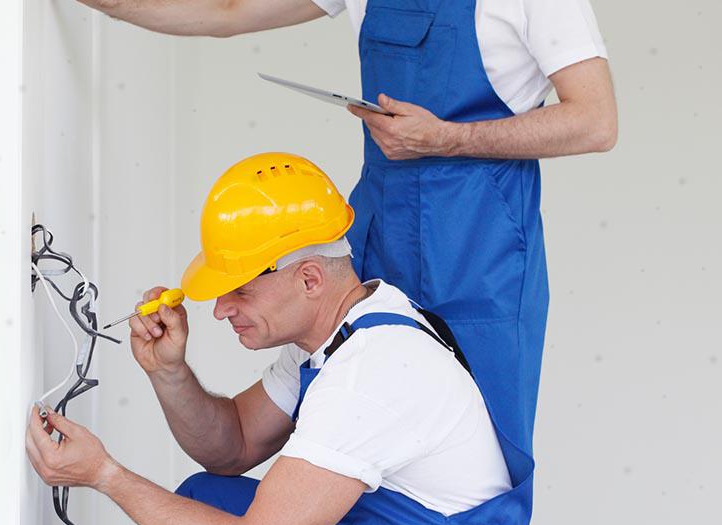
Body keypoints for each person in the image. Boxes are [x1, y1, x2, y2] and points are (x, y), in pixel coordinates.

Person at [76, 0, 617, 455]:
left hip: (481, 249)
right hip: (381, 224)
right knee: (351, 426)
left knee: (472, 454)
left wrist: (446, 139)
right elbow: (225, 8)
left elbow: (596, 119)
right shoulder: (325, 272)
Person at [27, 152, 534, 525]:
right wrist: (170, 372)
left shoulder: (373, 370)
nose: (222, 310)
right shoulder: (333, 338)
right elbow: (234, 446)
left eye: (240, 289)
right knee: (211, 498)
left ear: (310, 279)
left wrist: (105, 475)